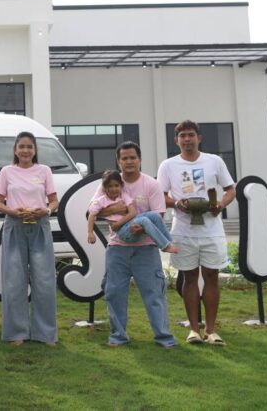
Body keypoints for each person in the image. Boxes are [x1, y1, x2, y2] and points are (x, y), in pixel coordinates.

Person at [157, 120, 236, 346]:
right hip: (183, 231)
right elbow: (160, 195)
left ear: (199, 138)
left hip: (212, 230)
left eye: (191, 135)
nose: (187, 139)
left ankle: (211, 330)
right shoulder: (168, 165)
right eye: (182, 136)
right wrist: (177, 203)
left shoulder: (214, 161)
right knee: (189, 278)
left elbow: (231, 189)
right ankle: (193, 330)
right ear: (176, 140)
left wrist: (220, 204)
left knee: (211, 277)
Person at [92, 142, 177, 348]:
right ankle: (118, 336)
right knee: (114, 293)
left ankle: (164, 337)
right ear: (118, 161)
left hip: (145, 248)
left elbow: (158, 214)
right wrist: (116, 209)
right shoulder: (110, 183)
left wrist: (139, 225)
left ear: (139, 159)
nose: (129, 162)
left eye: (133, 158)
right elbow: (93, 211)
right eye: (124, 158)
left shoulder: (151, 184)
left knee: (154, 294)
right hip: (117, 247)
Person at [0, 131, 58, 345]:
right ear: (15, 150)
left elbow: (54, 201)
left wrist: (45, 211)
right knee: (14, 281)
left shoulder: (44, 170)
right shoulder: (6, 172)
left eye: (29, 146)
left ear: (35, 150)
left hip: (40, 226)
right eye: (21, 146)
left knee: (44, 281)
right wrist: (13, 212)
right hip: (14, 226)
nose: (25, 150)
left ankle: (45, 333)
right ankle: (16, 333)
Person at [87, 169, 179, 253]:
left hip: (126, 223)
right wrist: (90, 232)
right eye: (110, 186)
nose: (113, 189)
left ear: (121, 186)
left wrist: (118, 223)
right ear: (104, 187)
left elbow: (133, 212)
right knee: (144, 220)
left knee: (155, 215)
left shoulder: (123, 195)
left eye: (116, 185)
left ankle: (170, 241)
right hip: (123, 232)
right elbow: (91, 215)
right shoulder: (101, 201)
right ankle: (164, 246)